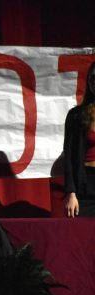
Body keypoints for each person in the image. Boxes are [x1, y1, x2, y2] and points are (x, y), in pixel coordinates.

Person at [63, 61, 95, 217]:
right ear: (89, 81)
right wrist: (71, 192)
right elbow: (68, 157)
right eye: (93, 78)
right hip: (85, 185)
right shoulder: (76, 115)